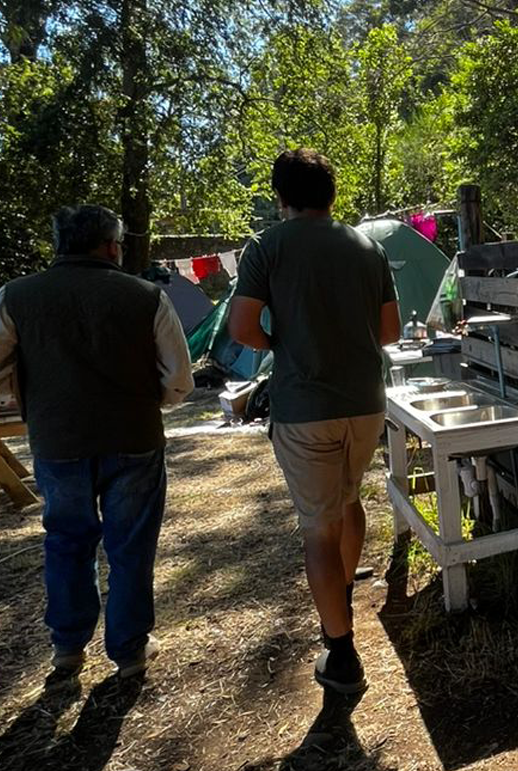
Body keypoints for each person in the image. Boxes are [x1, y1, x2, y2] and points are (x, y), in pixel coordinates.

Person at [0, 205, 193, 677]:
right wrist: (150, 400)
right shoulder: (146, 296)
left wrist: (31, 392)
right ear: (111, 246)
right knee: (130, 545)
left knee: (67, 540)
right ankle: (129, 651)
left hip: (57, 439)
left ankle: (68, 647)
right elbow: (179, 381)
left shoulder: (15, 296)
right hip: (133, 438)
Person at [229, 149, 399, 695]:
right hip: (366, 402)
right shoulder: (367, 247)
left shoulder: (266, 246)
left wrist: (281, 343)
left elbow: (241, 327)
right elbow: (390, 332)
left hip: (306, 407)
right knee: (348, 500)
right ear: (331, 193)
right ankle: (342, 597)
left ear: (281, 197)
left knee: (318, 528)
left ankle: (341, 655)